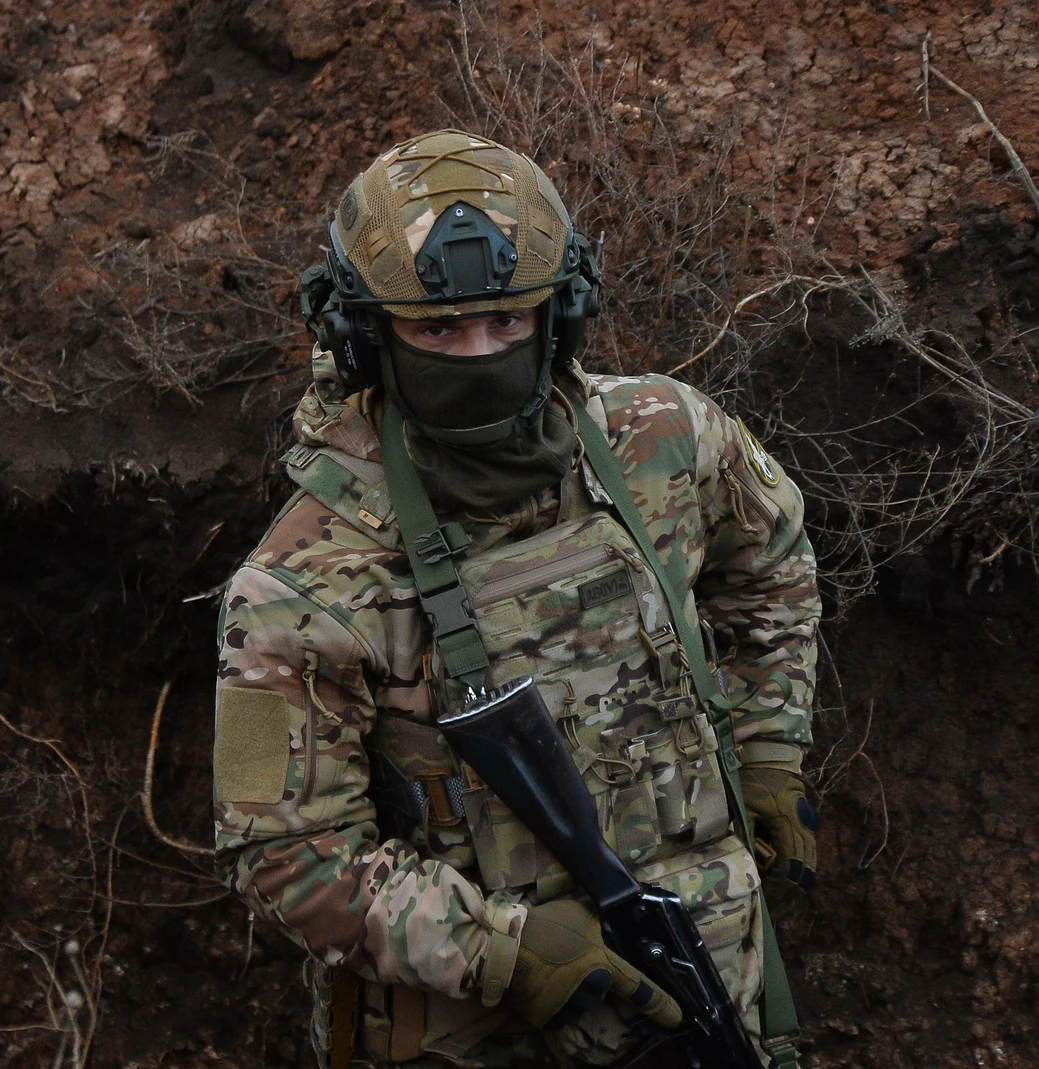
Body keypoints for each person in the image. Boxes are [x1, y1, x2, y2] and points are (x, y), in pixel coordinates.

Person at [212, 129, 821, 1068]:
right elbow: (286, 857)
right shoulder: (303, 581)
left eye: (510, 321)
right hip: (475, 1026)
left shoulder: (666, 439)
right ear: (364, 336)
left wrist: (771, 749)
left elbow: (771, 555)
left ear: (562, 313)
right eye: (437, 331)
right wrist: (503, 950)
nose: (481, 353)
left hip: (709, 977)